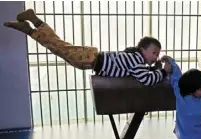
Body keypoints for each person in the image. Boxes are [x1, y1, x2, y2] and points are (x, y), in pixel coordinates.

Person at [4, 9, 170, 86]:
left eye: (157, 54)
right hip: (90, 60)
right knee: (58, 47)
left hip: (90, 57)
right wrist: (163, 71)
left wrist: (155, 67)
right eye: (154, 53)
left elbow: (143, 73)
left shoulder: (135, 59)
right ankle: (32, 25)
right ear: (142, 50)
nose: (156, 57)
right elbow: (146, 80)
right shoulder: (136, 59)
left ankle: (32, 27)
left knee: (59, 46)